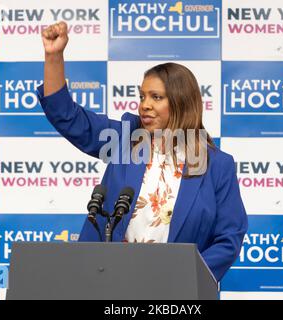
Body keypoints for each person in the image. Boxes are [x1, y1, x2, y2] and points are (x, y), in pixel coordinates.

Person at [38, 22, 248, 282]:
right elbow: (66, 116)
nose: (144, 105)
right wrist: (53, 56)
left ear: (182, 102)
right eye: (142, 96)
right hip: (108, 284)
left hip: (176, 293)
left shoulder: (217, 165)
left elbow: (229, 237)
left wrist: (184, 277)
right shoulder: (125, 140)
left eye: (156, 97)